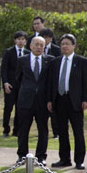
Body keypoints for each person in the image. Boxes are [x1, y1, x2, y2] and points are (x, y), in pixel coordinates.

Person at [47, 34, 87, 170]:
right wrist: (49, 100)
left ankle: (79, 160)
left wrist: (85, 99)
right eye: (62, 44)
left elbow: (86, 82)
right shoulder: (55, 62)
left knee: (78, 131)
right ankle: (64, 159)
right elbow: (51, 83)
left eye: (67, 44)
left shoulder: (81, 61)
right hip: (59, 100)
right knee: (62, 132)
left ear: (73, 46)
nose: (64, 46)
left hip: (75, 101)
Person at [15, 36, 54, 165]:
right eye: (36, 44)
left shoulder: (50, 61)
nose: (39, 47)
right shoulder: (22, 60)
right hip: (25, 100)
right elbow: (18, 79)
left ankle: (41, 157)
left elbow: (50, 82)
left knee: (43, 130)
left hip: (42, 102)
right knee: (23, 130)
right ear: (30, 46)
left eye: (41, 45)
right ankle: (22, 155)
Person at [0, 31, 30, 137]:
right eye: (19, 39)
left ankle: (16, 130)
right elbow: (3, 69)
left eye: (23, 39)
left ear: (26, 41)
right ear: (15, 40)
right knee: (8, 107)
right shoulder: (9, 52)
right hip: (10, 85)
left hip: (22, 85)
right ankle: (5, 129)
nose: (21, 41)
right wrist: (5, 83)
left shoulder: (28, 53)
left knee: (20, 108)